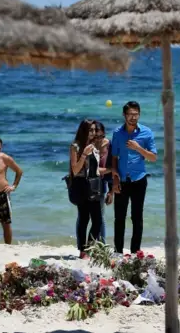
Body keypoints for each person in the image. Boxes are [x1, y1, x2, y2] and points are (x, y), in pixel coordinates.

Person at [111, 101, 157, 254]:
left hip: (139, 180)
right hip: (122, 180)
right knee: (119, 218)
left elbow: (153, 157)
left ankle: (135, 252)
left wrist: (138, 148)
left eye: (136, 114)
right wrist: (115, 180)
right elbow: (114, 158)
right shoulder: (117, 133)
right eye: (130, 114)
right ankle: (118, 252)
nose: (133, 117)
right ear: (124, 115)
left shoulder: (147, 132)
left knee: (137, 218)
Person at [69, 119, 103, 258]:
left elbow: (95, 169)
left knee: (98, 220)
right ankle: (83, 250)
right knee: (83, 218)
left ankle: (88, 248)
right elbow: (75, 170)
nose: (93, 133)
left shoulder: (94, 145)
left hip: (94, 185)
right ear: (84, 130)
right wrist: (84, 154)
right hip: (80, 184)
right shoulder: (75, 146)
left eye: (94, 130)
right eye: (90, 130)